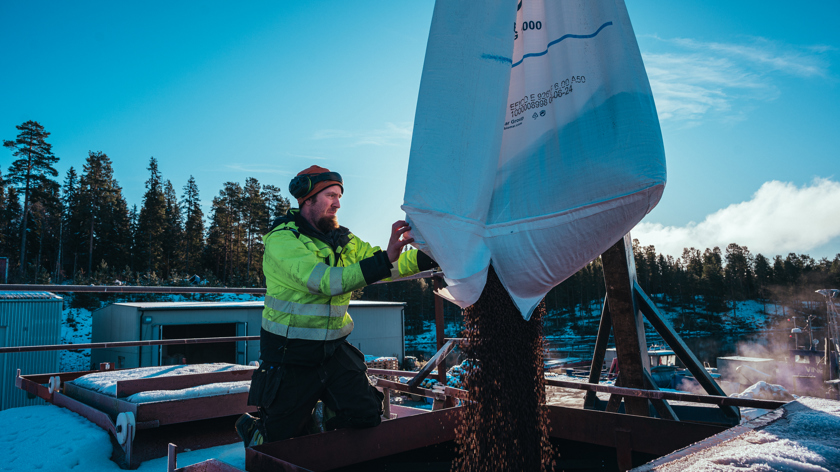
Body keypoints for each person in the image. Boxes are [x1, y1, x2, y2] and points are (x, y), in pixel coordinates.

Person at [236, 165, 436, 446]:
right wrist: (382, 261)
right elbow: (326, 281)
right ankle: (254, 429)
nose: (338, 203)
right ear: (307, 199)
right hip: (289, 352)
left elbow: (387, 264)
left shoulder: (344, 240)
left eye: (339, 196)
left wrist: (430, 257)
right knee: (281, 441)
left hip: (332, 349)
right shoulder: (283, 240)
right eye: (330, 195)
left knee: (366, 414)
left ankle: (325, 428)